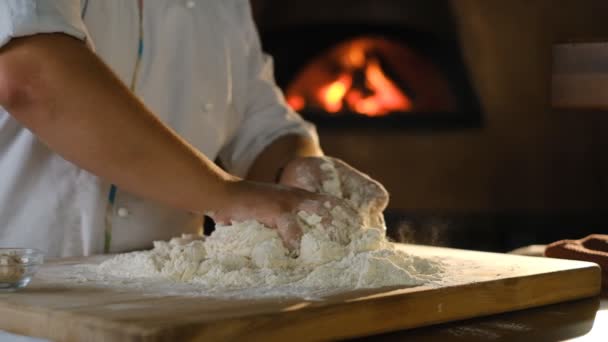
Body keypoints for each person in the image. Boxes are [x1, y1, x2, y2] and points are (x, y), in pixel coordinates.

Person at [0, 0, 388, 258]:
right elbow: (32, 75)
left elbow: (261, 120)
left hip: (167, 310)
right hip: (22, 309)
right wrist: (225, 194)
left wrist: (297, 170)